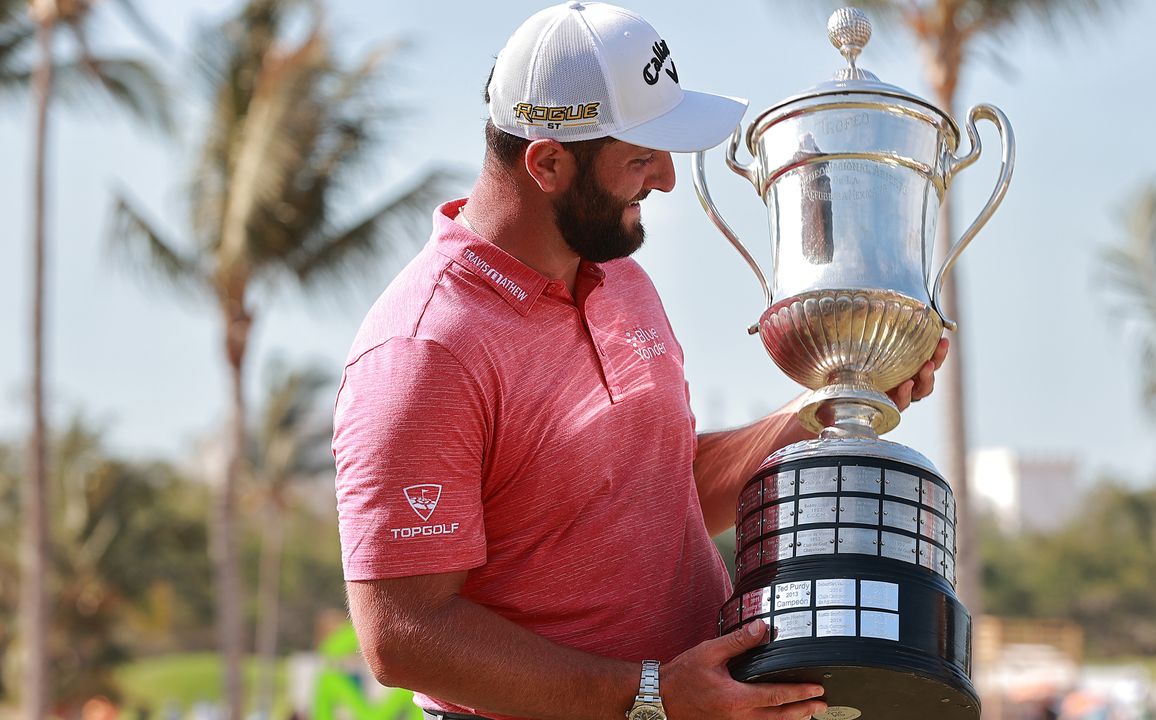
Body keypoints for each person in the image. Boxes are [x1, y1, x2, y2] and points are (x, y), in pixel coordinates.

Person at [332, 3, 947, 720]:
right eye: (640, 156)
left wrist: (818, 413)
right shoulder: (422, 352)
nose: (666, 179)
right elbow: (405, 636)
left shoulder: (619, 276)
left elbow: (659, 485)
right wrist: (650, 694)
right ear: (549, 162)